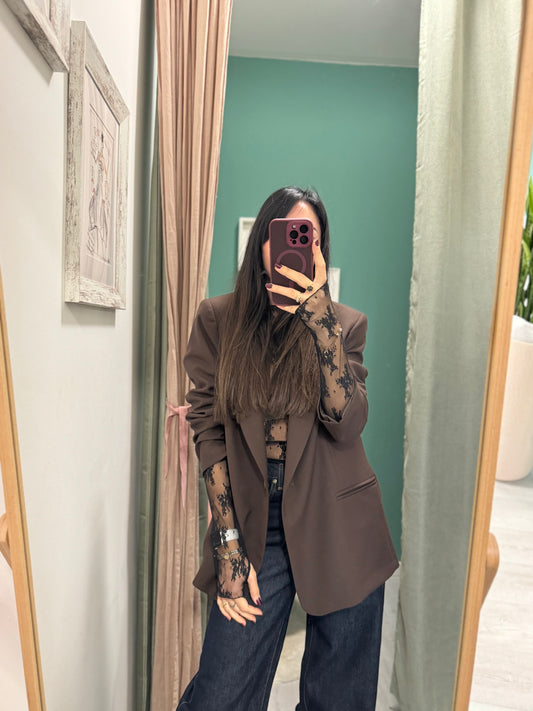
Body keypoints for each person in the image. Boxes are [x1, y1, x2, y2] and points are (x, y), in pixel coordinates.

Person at [178, 187, 399, 711]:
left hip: (339, 521)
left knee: (338, 701)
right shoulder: (217, 320)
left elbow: (348, 422)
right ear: (263, 241)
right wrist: (228, 544)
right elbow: (208, 431)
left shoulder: (344, 325)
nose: (299, 247)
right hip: (258, 524)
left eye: (311, 239)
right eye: (287, 235)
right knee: (220, 696)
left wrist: (319, 317)